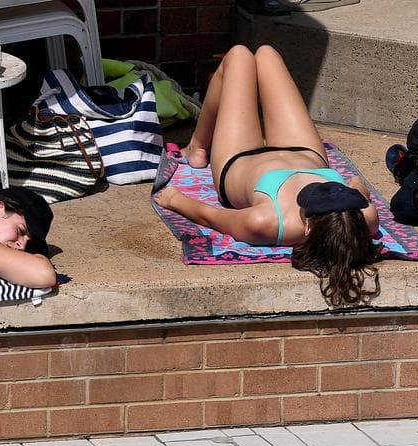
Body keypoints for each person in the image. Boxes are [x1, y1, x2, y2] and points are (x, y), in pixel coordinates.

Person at [153, 45, 382, 306]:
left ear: (307, 227)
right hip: (305, 153)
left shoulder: (267, 222)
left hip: (242, 158)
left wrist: (174, 200)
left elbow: (213, 216)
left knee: (238, 56)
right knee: (267, 54)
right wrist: (354, 188)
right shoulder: (363, 218)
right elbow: (357, 185)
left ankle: (198, 147)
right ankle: (199, 144)